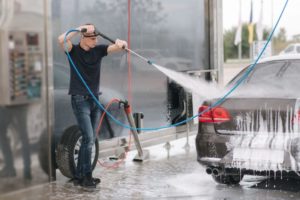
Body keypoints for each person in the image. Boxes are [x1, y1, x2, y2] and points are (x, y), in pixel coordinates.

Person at [58, 24, 127, 188]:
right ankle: (86, 177)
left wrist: (120, 43)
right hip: (80, 99)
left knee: (89, 138)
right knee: (88, 138)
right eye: (92, 39)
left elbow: (118, 47)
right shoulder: (72, 51)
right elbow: (61, 39)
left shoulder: (99, 50)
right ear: (84, 37)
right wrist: (79, 28)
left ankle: (80, 176)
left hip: (94, 99)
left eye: (97, 38)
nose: (96, 41)